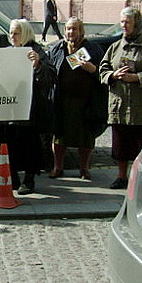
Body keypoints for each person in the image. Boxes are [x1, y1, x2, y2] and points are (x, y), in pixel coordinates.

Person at [99, 7, 142, 189]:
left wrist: (136, 78)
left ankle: (140, 180)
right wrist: (113, 75)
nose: (124, 25)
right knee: (121, 146)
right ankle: (121, 177)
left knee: (141, 146)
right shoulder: (114, 47)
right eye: (121, 22)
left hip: (140, 107)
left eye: (127, 22)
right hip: (119, 105)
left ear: (137, 24)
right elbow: (102, 70)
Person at [47, 17, 106, 180]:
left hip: (85, 101)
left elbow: (105, 73)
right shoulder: (58, 48)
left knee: (85, 138)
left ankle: (84, 168)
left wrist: (92, 69)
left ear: (81, 31)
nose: (71, 32)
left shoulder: (93, 49)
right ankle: (57, 167)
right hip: (61, 100)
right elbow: (48, 68)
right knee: (59, 136)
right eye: (68, 29)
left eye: (74, 29)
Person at [4, 19, 56, 194]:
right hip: (11, 109)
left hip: (31, 111)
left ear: (25, 33)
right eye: (11, 32)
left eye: (17, 32)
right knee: (11, 144)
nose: (13, 36)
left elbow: (50, 77)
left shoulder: (37, 50)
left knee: (29, 147)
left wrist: (37, 65)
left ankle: (29, 179)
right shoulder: (8, 51)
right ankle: (14, 178)